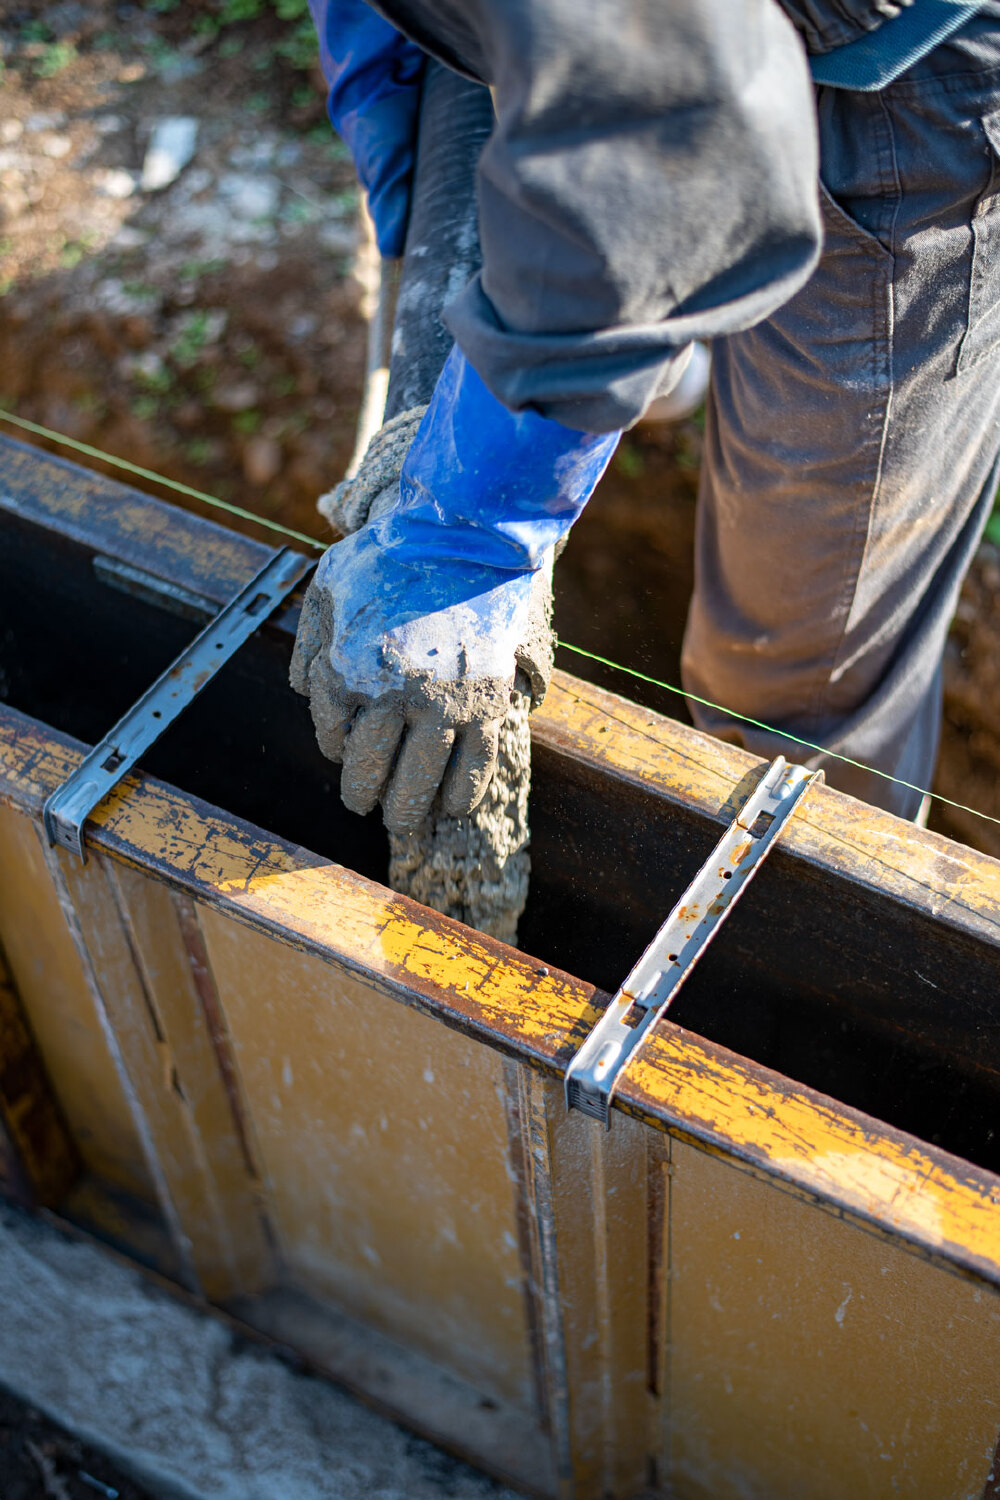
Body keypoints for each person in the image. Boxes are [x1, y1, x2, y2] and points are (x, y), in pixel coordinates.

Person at [293, 0, 1000, 833]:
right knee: (595, 283)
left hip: (897, 91)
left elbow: (681, 97)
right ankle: (647, 354)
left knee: (794, 691)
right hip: (651, 60)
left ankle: (805, 933)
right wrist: (399, 33)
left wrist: (472, 527)